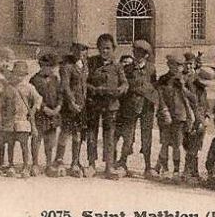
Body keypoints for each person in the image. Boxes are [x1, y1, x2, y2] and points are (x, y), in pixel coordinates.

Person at [85, 33, 128, 179]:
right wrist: (95, 90)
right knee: (92, 134)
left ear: (113, 49)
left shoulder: (117, 66)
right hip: (94, 104)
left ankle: (109, 166)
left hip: (111, 105)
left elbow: (124, 83)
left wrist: (121, 89)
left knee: (109, 136)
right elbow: (84, 82)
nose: (105, 51)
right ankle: (91, 164)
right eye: (102, 48)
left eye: (108, 48)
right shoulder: (91, 63)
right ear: (98, 48)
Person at [116, 39, 158, 178]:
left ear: (146, 55)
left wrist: (151, 96)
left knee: (147, 137)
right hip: (131, 104)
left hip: (147, 106)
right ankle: (122, 163)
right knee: (128, 136)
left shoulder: (151, 68)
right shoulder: (127, 69)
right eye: (135, 52)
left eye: (140, 53)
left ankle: (147, 167)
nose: (137, 55)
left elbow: (154, 85)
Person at [155, 56, 198, 179]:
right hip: (165, 115)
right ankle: (165, 168)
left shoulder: (185, 80)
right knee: (164, 143)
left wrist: (184, 88)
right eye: (174, 65)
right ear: (168, 65)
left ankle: (176, 170)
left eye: (179, 66)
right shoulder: (163, 79)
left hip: (180, 116)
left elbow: (194, 99)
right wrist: (164, 110)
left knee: (177, 145)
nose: (177, 68)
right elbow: (159, 96)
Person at [0, 61, 42, 178]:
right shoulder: (8, 87)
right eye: (16, 74)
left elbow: (38, 98)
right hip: (10, 121)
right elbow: (2, 102)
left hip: (23, 120)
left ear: (25, 75)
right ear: (13, 74)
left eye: (21, 74)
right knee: (10, 145)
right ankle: (11, 165)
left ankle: (25, 166)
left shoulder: (29, 87)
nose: (18, 77)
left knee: (24, 145)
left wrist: (33, 109)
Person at [30, 53, 62, 176]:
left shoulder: (55, 79)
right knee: (37, 140)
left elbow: (60, 95)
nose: (52, 69)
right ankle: (35, 164)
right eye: (49, 66)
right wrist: (44, 108)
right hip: (40, 114)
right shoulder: (34, 80)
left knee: (50, 141)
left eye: (53, 67)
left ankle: (49, 164)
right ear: (42, 66)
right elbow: (33, 97)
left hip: (53, 115)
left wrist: (58, 107)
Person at [55, 53, 88, 177]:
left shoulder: (84, 65)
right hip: (70, 105)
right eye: (78, 49)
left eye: (84, 49)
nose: (81, 53)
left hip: (81, 105)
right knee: (65, 132)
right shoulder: (66, 66)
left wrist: (82, 103)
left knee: (78, 133)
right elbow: (65, 85)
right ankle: (59, 160)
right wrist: (72, 102)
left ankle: (75, 161)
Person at [183, 56, 211, 181]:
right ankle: (189, 171)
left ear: (194, 65)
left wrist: (207, 116)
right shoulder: (182, 79)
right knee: (189, 144)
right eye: (186, 64)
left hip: (199, 115)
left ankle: (192, 171)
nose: (188, 66)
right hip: (188, 115)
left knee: (196, 144)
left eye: (190, 64)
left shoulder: (199, 81)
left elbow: (204, 101)